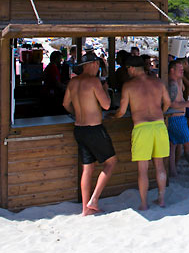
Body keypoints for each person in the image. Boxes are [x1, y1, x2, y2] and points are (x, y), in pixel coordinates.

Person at [62, 53, 117, 216]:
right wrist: (105, 90)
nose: (98, 68)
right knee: (111, 162)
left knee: (88, 168)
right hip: (94, 128)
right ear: (92, 64)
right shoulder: (93, 82)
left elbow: (65, 104)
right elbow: (106, 105)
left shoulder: (73, 82)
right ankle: (94, 199)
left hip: (79, 128)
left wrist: (77, 113)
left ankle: (85, 208)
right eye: (98, 65)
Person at [114, 55, 171, 210]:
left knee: (143, 169)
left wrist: (113, 115)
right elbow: (168, 103)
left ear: (131, 68)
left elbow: (122, 110)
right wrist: (160, 112)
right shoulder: (158, 82)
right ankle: (161, 199)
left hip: (141, 127)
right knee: (159, 166)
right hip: (159, 125)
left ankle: (144, 203)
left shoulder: (129, 86)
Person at [166, 60, 189, 176]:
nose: (182, 71)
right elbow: (170, 104)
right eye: (179, 69)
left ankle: (172, 170)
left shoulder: (175, 82)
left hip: (176, 117)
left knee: (172, 146)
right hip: (176, 118)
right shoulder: (172, 84)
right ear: (172, 70)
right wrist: (187, 104)